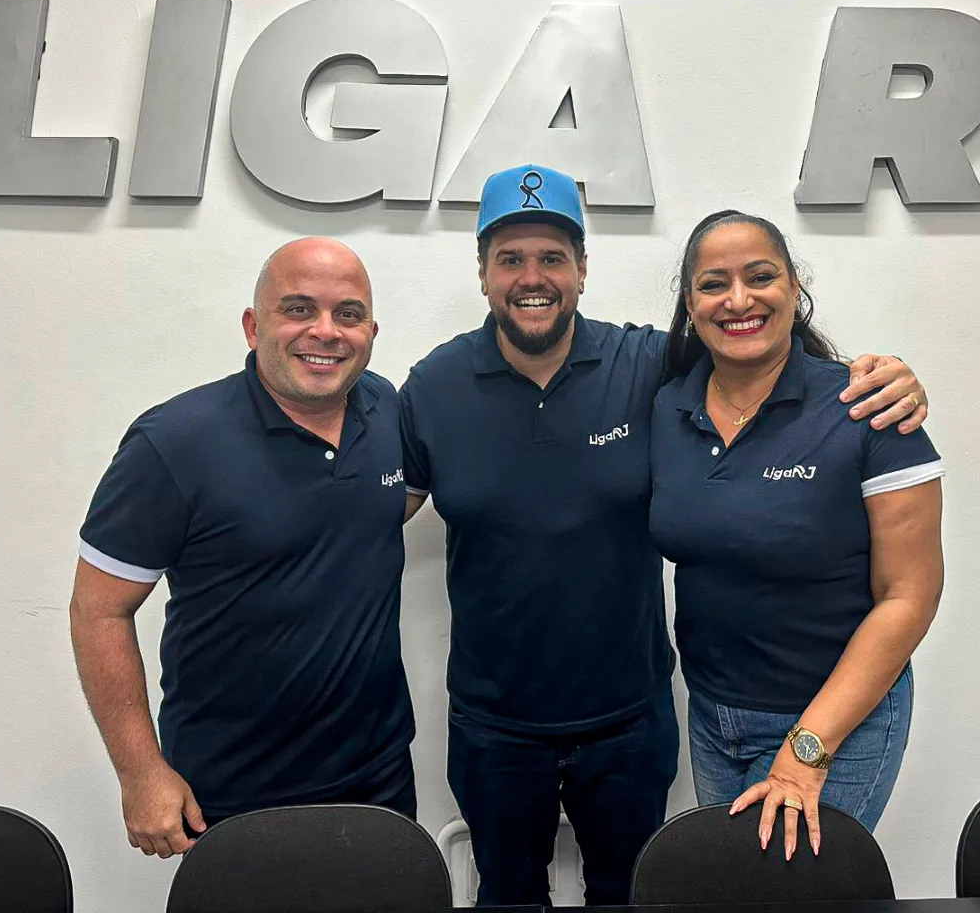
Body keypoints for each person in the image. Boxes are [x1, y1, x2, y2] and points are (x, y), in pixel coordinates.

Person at [398, 165, 931, 904]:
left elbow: (755, 349)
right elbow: (378, 504)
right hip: (493, 722)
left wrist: (888, 374)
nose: (533, 277)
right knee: (507, 896)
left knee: (638, 896)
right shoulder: (433, 385)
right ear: (483, 272)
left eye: (553, 257)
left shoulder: (647, 365)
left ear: (583, 269)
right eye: (510, 259)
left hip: (628, 718)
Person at [69, 238, 415, 859]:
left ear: (371, 332)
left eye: (348, 314)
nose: (325, 331)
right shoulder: (173, 443)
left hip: (379, 779)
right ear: (254, 327)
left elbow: (374, 509)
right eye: (299, 309)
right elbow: (98, 611)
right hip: (232, 791)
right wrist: (140, 772)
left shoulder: (386, 410)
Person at [650, 209, 945, 861]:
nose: (739, 300)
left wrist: (808, 749)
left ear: (794, 286)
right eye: (713, 284)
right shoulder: (669, 406)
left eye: (761, 277)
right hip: (713, 716)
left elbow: (910, 596)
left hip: (833, 722)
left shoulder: (867, 408)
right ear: (690, 305)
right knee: (728, 890)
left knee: (790, 895)